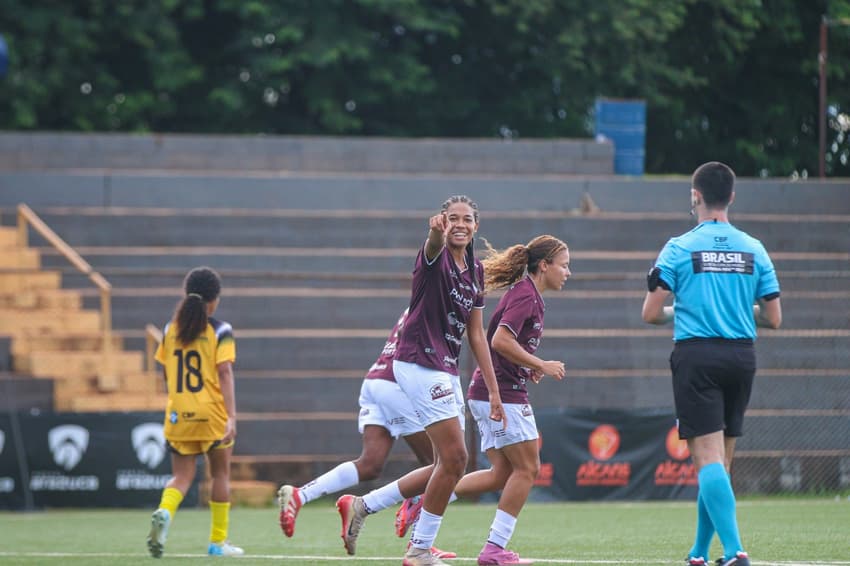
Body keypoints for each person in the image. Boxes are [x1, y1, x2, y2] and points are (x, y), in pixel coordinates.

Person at [336, 195, 506, 566]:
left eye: (467, 219)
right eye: (452, 218)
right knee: (456, 457)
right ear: (443, 221)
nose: (459, 224)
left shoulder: (475, 271)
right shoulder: (436, 253)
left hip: (446, 367)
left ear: (476, 226)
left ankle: (363, 506)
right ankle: (419, 550)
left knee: (447, 463)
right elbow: (431, 246)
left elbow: (476, 334)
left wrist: (493, 390)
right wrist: (434, 234)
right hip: (418, 362)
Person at [393, 235, 570, 566]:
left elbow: (503, 343)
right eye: (564, 265)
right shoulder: (526, 295)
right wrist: (540, 363)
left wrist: (527, 366)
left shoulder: (529, 295)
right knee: (528, 468)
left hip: (494, 390)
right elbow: (500, 340)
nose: (568, 272)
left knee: (502, 472)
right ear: (545, 266)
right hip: (502, 393)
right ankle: (494, 549)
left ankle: (427, 497)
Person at [641, 162, 782, 566]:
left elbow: (651, 313)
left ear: (695, 196)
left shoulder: (678, 247)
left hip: (698, 356)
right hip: (741, 357)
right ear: (731, 197)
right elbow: (773, 318)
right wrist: (736, 308)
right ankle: (700, 552)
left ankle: (735, 551)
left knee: (707, 461)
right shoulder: (754, 248)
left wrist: (682, 310)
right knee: (720, 463)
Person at [276, 308, 456, 559]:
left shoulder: (429, 297)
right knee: (444, 464)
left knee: (370, 465)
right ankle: (418, 542)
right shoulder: (442, 298)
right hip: (399, 384)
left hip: (377, 379)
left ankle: (300, 495)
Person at [146, 266, 244, 558]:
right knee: (220, 475)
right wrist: (232, 416)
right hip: (212, 414)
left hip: (178, 413)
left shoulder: (170, 329)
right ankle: (218, 543)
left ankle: (165, 512)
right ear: (214, 300)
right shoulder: (220, 330)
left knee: (181, 477)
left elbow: (166, 372)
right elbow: (224, 372)